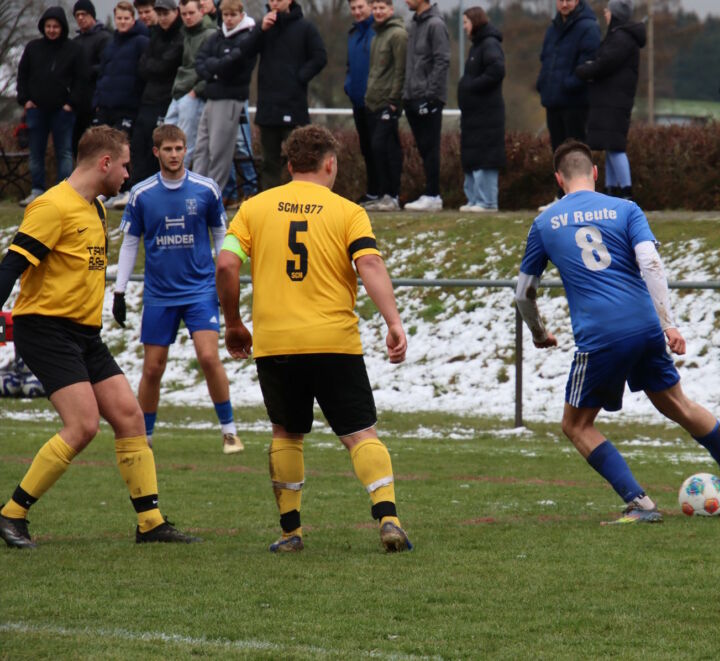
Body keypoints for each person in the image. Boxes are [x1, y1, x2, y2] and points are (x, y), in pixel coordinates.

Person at [513, 140, 720, 524]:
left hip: (600, 336)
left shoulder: (545, 223)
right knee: (676, 403)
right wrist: (668, 323)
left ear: (558, 179)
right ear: (596, 173)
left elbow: (523, 292)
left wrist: (538, 332)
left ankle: (640, 503)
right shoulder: (627, 209)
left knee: (576, 424)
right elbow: (650, 262)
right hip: (645, 327)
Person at [0, 126, 201, 549]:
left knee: (130, 417)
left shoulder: (95, 208)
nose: (128, 174)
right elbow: (10, 268)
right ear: (105, 163)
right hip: (45, 329)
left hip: (84, 334)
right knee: (83, 425)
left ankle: (150, 523)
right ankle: (12, 514)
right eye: (125, 165)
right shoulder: (52, 207)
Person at [216, 125, 413, 553]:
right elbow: (370, 265)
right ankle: (389, 518)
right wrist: (393, 321)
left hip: (277, 343)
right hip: (334, 340)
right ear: (330, 164)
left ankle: (291, 533)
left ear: (289, 166)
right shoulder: (348, 212)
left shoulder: (253, 208)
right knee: (360, 434)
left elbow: (227, 264)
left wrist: (233, 323)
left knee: (286, 434)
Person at [113, 123, 243, 454]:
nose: (174, 154)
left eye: (179, 148)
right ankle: (145, 436)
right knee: (153, 368)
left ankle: (229, 432)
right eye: (167, 149)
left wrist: (223, 276)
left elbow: (220, 234)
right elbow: (130, 243)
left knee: (208, 357)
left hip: (200, 290)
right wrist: (119, 291)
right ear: (156, 152)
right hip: (159, 295)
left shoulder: (206, 189)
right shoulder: (142, 194)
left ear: (186, 150)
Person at [245, 0, 327, 190]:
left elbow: (320, 57)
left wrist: (299, 77)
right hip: (268, 108)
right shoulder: (263, 27)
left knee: (301, 160)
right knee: (269, 162)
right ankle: (270, 200)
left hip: (294, 107)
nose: (274, 3)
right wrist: (260, 30)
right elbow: (246, 52)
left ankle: (301, 197)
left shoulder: (305, 28)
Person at [15, 6, 86, 208]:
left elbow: (81, 79)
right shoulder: (32, 48)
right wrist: (25, 100)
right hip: (36, 110)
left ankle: (64, 191)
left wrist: (71, 104)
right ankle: (37, 191)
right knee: (36, 153)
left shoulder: (74, 50)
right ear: (43, 27)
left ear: (62, 28)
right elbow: (22, 75)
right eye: (48, 26)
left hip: (63, 112)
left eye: (56, 26)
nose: (52, 30)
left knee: (64, 152)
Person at [574, 0, 644, 201]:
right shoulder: (619, 36)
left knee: (615, 147)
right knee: (610, 147)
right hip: (612, 100)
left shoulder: (621, 38)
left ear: (615, 14)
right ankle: (611, 191)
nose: (605, 13)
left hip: (614, 102)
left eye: (608, 10)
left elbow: (605, 63)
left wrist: (584, 70)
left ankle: (626, 192)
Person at [536, 0, 600, 210]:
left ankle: (583, 199)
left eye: (569, 0)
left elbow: (589, 63)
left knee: (577, 152)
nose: (564, 4)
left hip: (575, 101)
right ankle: (561, 196)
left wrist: (569, 84)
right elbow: (546, 60)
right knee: (558, 151)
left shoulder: (588, 27)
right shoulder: (552, 28)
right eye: (560, 0)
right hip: (553, 100)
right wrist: (542, 84)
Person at [193, 0, 258, 194]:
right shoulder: (217, 36)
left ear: (241, 15)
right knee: (201, 148)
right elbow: (200, 61)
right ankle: (196, 189)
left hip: (230, 99)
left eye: (233, 15)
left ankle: (213, 194)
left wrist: (214, 69)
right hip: (212, 97)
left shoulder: (247, 39)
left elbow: (232, 68)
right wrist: (216, 70)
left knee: (219, 151)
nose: (228, 19)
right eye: (226, 15)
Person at [128, 0, 185, 206]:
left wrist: (155, 66)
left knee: (158, 147)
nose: (162, 18)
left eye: (165, 14)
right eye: (159, 14)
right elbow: (143, 66)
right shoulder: (155, 35)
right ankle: (137, 189)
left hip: (166, 99)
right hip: (148, 98)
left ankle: (157, 191)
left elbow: (165, 66)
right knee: (139, 145)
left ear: (175, 12)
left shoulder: (181, 35)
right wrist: (156, 66)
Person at [402, 0, 450, 212]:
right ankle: (429, 193)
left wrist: (430, 95)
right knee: (423, 148)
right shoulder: (413, 24)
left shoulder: (436, 25)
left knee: (431, 148)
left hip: (428, 98)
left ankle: (433, 195)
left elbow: (442, 61)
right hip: (412, 96)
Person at [457, 6, 505, 212]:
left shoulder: (489, 44)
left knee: (486, 157)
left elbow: (497, 70)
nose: (464, 27)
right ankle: (474, 199)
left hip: (487, 115)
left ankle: (487, 202)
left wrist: (472, 86)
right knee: (473, 157)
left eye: (466, 23)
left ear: (475, 22)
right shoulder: (477, 46)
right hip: (474, 115)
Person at [362, 0, 407, 212]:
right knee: (376, 149)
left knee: (385, 148)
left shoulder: (398, 35)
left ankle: (392, 195)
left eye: (382, 8)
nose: (378, 12)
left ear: (391, 9)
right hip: (373, 102)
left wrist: (394, 101)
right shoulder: (377, 35)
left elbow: (400, 70)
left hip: (387, 103)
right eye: (375, 8)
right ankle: (383, 195)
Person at [164, 0, 217, 169]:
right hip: (179, 92)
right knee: (166, 137)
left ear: (202, 11)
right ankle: (168, 178)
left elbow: (213, 68)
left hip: (193, 95)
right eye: (184, 14)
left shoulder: (211, 34)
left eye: (191, 13)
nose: (187, 17)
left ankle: (179, 179)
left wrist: (196, 91)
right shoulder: (185, 33)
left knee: (185, 143)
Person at [93, 3, 150, 139]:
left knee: (120, 146)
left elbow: (146, 74)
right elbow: (102, 74)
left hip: (127, 109)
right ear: (115, 19)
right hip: (104, 107)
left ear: (133, 19)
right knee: (99, 146)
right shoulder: (110, 44)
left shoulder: (141, 42)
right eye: (119, 18)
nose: (122, 22)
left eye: (126, 18)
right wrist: (97, 101)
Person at [346, 0, 380, 206]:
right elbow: (350, 66)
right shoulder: (352, 34)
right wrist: (348, 86)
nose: (357, 12)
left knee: (379, 148)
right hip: (358, 101)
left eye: (361, 7)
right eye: (353, 8)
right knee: (366, 148)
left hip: (376, 101)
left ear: (370, 6)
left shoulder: (378, 31)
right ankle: (373, 191)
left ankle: (386, 192)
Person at [71, 0, 112, 160]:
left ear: (92, 15)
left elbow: (107, 65)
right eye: (77, 15)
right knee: (77, 147)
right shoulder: (75, 42)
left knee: (96, 147)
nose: (81, 18)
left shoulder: (104, 38)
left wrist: (86, 71)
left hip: (96, 101)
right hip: (77, 103)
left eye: (84, 14)